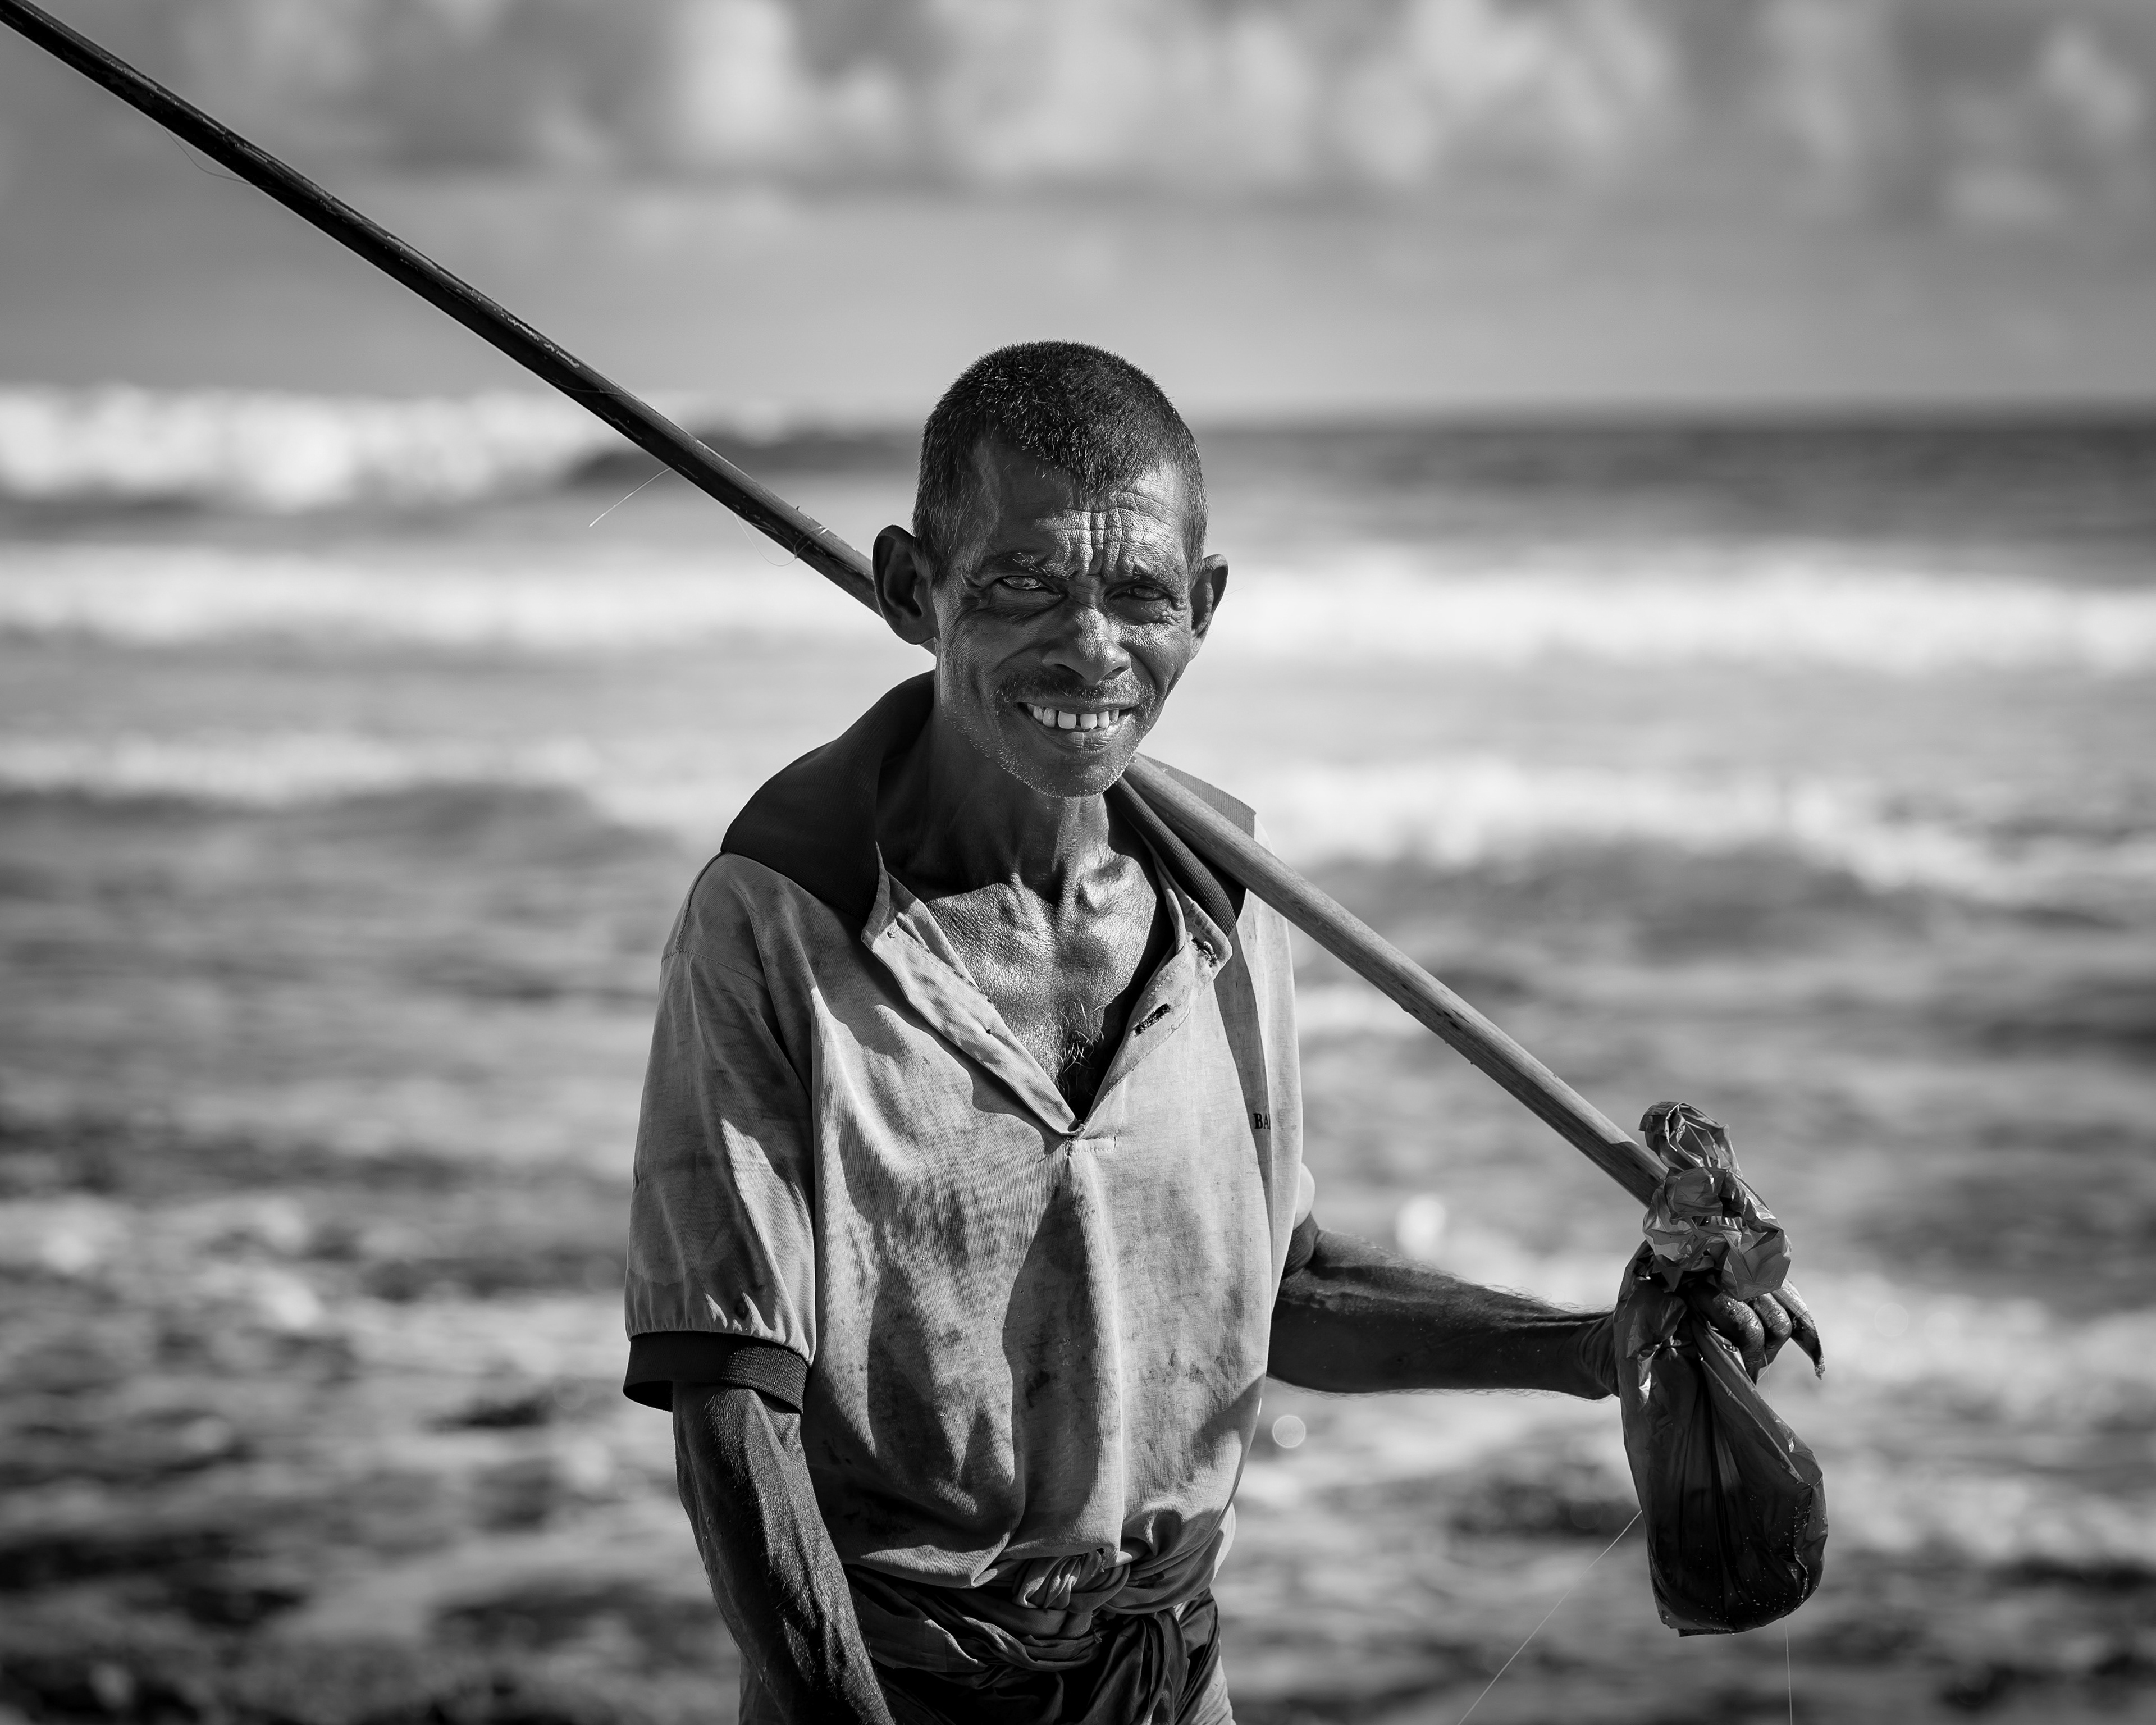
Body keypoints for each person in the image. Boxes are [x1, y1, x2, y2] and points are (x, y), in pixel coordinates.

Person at [623, 341, 1803, 1724]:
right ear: (907, 589)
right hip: (888, 1688)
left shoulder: (1227, 903)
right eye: (1021, 583)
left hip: (1173, 1684)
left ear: (1205, 608)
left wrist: (1599, 1350)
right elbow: (732, 1414)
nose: (1092, 648)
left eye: (1141, 595)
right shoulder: (780, 916)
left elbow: (1271, 1290)